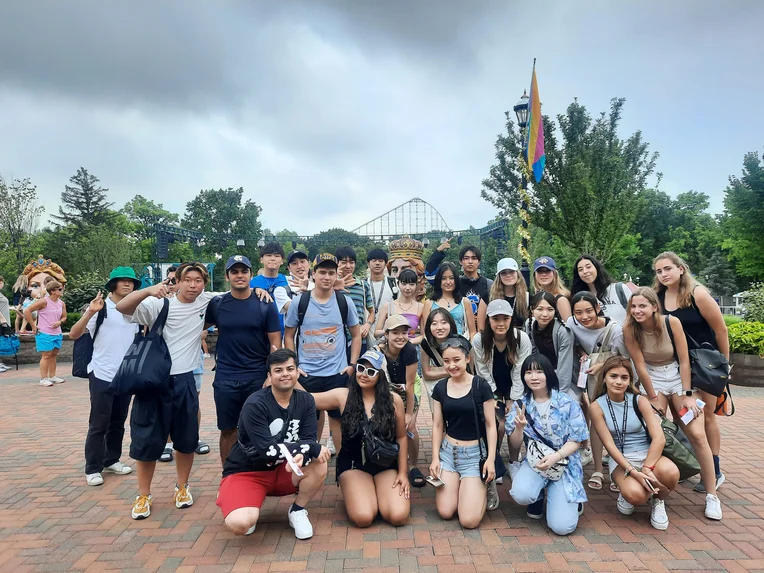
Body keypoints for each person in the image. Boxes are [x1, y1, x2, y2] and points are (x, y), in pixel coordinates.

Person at [117, 261, 223, 520]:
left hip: (185, 380)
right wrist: (148, 291)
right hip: (154, 382)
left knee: (186, 440)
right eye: (188, 279)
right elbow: (122, 307)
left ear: (204, 283)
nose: (193, 285)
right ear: (177, 280)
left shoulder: (206, 301)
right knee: (146, 441)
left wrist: (259, 291)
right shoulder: (159, 304)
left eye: (198, 280)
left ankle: (182, 486)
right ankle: (143, 494)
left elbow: (238, 293)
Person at [623, 287, 722, 520]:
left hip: (678, 376)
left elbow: (685, 360)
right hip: (652, 378)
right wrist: (652, 397)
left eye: (642, 306)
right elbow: (639, 365)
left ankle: (711, 495)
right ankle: (654, 492)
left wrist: (688, 393)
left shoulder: (671, 322)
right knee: (653, 430)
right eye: (633, 307)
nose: (637, 311)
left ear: (654, 307)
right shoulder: (630, 328)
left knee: (697, 433)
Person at [217, 349, 331, 539]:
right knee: (240, 524)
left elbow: (309, 440)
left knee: (319, 462)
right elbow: (267, 450)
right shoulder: (255, 404)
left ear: (297, 372)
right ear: (269, 376)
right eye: (278, 370)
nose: (285, 374)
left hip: (285, 469)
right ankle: (240, 500)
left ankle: (297, 510)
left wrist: (305, 452)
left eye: (290, 368)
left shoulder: (306, 400)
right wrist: (308, 448)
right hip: (247, 472)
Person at [307, 349, 410, 527]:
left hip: (385, 463)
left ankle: (377, 492)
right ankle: (364, 492)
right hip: (354, 465)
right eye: (361, 368)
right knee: (364, 517)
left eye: (371, 371)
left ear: (381, 376)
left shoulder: (394, 401)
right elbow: (307, 399)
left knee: (398, 516)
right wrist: (289, 379)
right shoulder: (343, 396)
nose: (364, 374)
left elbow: (401, 437)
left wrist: (402, 473)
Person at [654, 251, 729, 494]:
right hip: (675, 366)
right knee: (681, 417)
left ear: (680, 269)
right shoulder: (658, 297)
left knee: (706, 418)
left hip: (703, 366)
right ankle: (691, 461)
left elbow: (721, 331)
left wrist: (723, 367)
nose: (664, 274)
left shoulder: (697, 294)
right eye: (659, 271)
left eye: (668, 269)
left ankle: (715, 470)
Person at [205, 255, 282, 465]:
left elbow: (276, 343)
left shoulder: (265, 303)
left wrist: (271, 375)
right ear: (227, 276)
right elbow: (195, 324)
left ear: (250, 274)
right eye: (234, 272)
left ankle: (258, 473)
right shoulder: (217, 304)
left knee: (259, 427)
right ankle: (228, 475)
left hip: (256, 376)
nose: (239, 275)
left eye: (244, 271)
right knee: (228, 429)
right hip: (226, 377)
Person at [69, 267, 142, 486]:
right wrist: (90, 312)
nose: (127, 284)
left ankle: (112, 459)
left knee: (118, 421)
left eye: (131, 281)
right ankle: (92, 467)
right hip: (102, 372)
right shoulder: (102, 308)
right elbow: (74, 333)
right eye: (122, 281)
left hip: (125, 375)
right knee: (99, 422)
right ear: (113, 284)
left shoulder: (135, 309)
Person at [284, 254, 361, 455]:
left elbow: (356, 334)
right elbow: (289, 334)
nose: (327, 277)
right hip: (307, 373)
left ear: (336, 276)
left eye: (331, 273)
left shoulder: (345, 302)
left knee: (338, 421)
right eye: (322, 272)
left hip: (337, 372)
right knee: (310, 420)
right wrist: (294, 365)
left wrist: (352, 365)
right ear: (313, 274)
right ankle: (310, 459)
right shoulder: (300, 302)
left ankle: (344, 467)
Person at [590, 356, 679, 530]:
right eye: (613, 376)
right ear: (604, 378)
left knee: (671, 472)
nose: (618, 382)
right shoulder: (597, 406)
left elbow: (659, 438)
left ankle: (658, 500)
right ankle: (630, 490)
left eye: (624, 378)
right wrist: (632, 470)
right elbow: (609, 445)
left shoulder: (639, 401)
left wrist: (646, 468)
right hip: (621, 458)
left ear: (630, 380)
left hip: (648, 454)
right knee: (636, 496)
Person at [506, 355, 589, 535]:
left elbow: (577, 439)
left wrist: (555, 457)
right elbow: (514, 443)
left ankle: (567, 496)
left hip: (563, 463)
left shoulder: (567, 403)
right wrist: (519, 428)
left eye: (539, 371)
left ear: (549, 374)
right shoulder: (521, 404)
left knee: (562, 527)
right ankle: (539, 493)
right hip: (536, 462)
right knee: (520, 494)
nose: (533, 377)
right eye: (528, 372)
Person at [429, 336, 496, 529]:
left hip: (475, 455)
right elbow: (437, 425)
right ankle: (462, 488)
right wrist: (435, 458)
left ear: (467, 358)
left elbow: (491, 425)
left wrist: (490, 458)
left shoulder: (480, 386)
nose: (451, 365)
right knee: (446, 511)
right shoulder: (440, 387)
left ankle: (481, 487)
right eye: (447, 361)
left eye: (456, 360)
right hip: (449, 453)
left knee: (468, 521)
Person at [472, 299, 532, 509]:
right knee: (496, 424)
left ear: (510, 319)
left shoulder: (520, 338)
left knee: (515, 422)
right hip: (491, 389)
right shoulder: (479, 340)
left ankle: (514, 462)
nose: (500, 323)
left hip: (515, 387)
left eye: (505, 318)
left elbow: (520, 370)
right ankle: (494, 460)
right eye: (495, 319)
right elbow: (482, 370)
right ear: (488, 320)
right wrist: (497, 397)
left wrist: (512, 399)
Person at [567, 291, 630, 492]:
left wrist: (602, 363)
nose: (584, 316)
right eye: (578, 312)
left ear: (597, 308)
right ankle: (597, 468)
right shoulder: (571, 324)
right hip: (593, 380)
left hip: (613, 380)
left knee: (616, 422)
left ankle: (617, 468)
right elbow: (574, 345)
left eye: (588, 311)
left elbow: (626, 358)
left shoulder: (615, 330)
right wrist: (583, 353)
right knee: (596, 420)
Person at [377, 315, 424, 487]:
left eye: (404, 333)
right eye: (395, 332)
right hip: (387, 388)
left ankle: (413, 466)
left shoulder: (409, 350)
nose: (400, 337)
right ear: (387, 334)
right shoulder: (378, 351)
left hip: (409, 387)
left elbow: (410, 384)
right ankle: (391, 458)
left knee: (409, 426)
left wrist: (409, 413)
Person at [524, 291, 575, 398]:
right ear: (532, 310)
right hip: (541, 373)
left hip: (563, 376)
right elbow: (533, 355)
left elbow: (565, 367)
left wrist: (560, 395)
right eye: (540, 309)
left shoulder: (563, 332)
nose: (545, 314)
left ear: (555, 311)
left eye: (550, 309)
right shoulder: (529, 325)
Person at [24, 280, 66, 387]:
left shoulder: (61, 303)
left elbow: (64, 316)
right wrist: (33, 326)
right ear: (52, 291)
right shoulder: (44, 302)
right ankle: (43, 379)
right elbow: (27, 311)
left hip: (57, 333)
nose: (62, 291)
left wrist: (60, 322)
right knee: (46, 355)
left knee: (53, 355)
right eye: (60, 289)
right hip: (44, 332)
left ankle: (52, 376)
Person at [571, 255, 633, 324]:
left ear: (596, 268)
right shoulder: (580, 298)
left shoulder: (619, 289)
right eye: (580, 270)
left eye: (588, 267)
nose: (585, 271)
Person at [336, 247, 375, 358]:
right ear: (337, 263)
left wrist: (367, 325)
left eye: (351, 262)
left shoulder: (362, 285)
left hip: (359, 339)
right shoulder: (329, 285)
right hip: (336, 340)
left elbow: (372, 312)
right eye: (343, 262)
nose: (348, 266)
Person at [423, 262, 476, 341]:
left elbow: (472, 332)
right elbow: (426, 332)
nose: (448, 282)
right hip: (436, 348)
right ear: (438, 280)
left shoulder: (465, 302)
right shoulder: (429, 303)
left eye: (451, 278)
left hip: (460, 348)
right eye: (444, 278)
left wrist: (469, 350)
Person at [477, 258, 529, 331]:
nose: (508, 275)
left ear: (517, 274)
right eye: (503, 273)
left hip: (519, 339)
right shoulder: (488, 296)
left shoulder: (527, 298)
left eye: (511, 272)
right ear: (499, 276)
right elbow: (481, 328)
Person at [373, 269, 424, 343]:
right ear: (398, 284)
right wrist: (389, 331)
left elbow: (424, 335)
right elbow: (376, 333)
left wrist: (409, 342)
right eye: (404, 284)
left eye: (412, 284)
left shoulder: (421, 307)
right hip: (391, 348)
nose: (407, 288)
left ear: (416, 285)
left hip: (411, 349)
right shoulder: (388, 306)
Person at [420, 308, 457, 408]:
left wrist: (438, 372)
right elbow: (426, 374)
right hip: (439, 388)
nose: (439, 327)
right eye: (434, 323)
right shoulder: (426, 344)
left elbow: (467, 370)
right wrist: (450, 371)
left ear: (451, 324)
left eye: (444, 322)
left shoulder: (460, 342)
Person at [251, 242, 291, 334]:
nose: (272, 258)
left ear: (282, 261)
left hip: (284, 334)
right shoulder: (252, 283)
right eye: (268, 255)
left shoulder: (288, 281)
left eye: (277, 256)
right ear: (261, 259)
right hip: (259, 334)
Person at [365, 248, 398, 342]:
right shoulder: (363, 285)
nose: (377, 263)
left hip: (387, 333)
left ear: (385, 264)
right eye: (374, 260)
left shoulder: (394, 284)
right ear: (368, 263)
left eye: (381, 260)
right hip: (366, 332)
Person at [531, 257, 571, 322]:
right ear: (535, 275)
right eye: (540, 271)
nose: (543, 274)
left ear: (554, 274)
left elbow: (569, 327)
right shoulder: (537, 296)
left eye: (547, 270)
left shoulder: (561, 299)